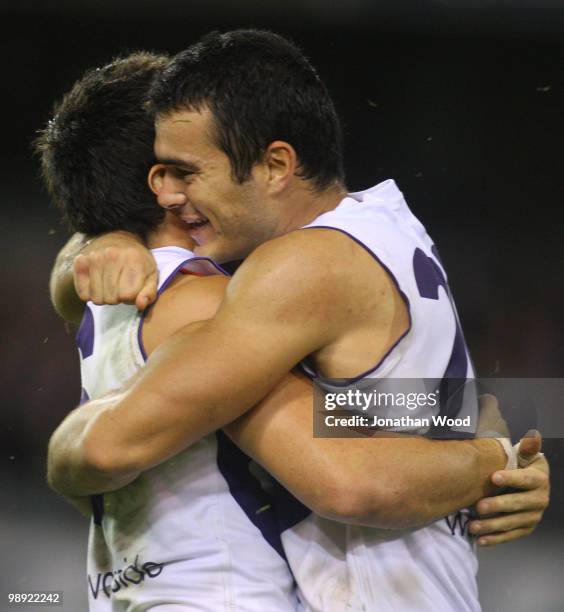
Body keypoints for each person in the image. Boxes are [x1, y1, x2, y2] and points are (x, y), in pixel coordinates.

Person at [45, 33, 549, 611]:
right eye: (159, 176)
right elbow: (371, 407)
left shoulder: (296, 273)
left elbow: (348, 484)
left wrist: (494, 458)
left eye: (184, 172)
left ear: (276, 164)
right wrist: (495, 455)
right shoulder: (386, 226)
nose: (170, 193)